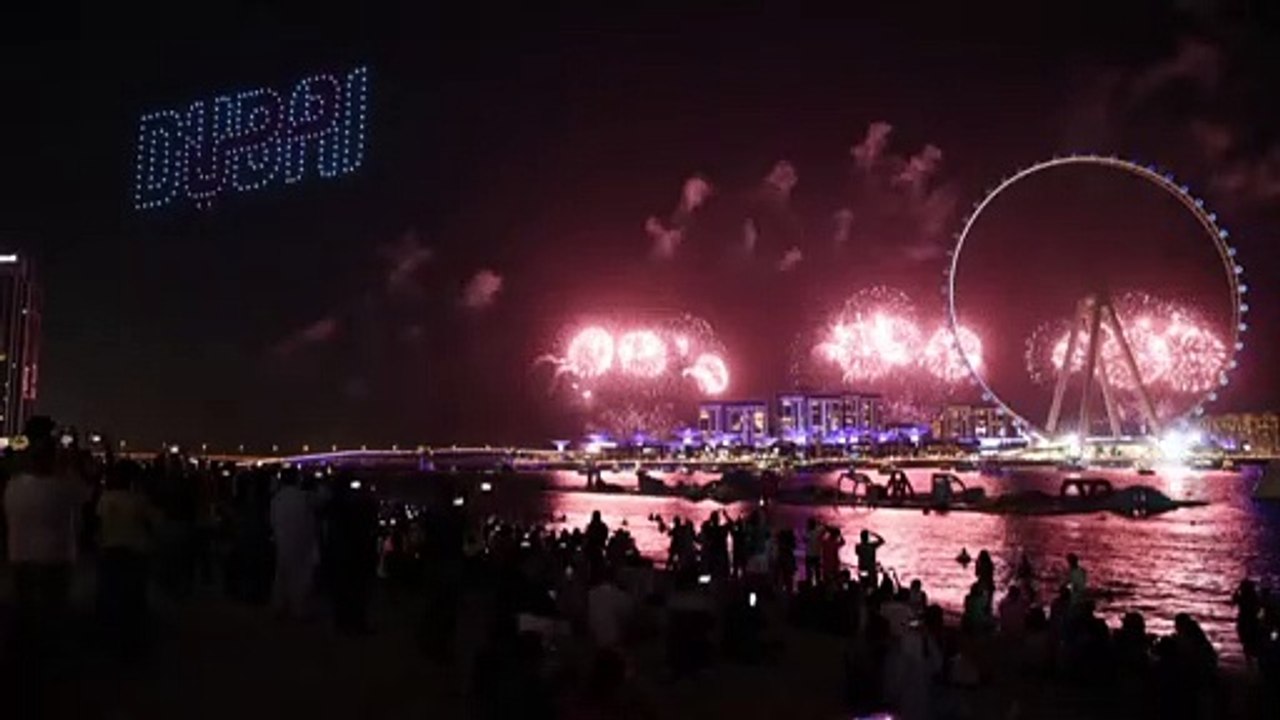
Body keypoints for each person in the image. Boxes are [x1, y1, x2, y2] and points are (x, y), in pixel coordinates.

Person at [4, 417, 89, 673]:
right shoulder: (63, 485)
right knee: (52, 614)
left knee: (25, 610)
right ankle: (47, 664)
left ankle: (22, 661)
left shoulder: (13, 484)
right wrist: (70, 462)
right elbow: (85, 493)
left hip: (19, 555)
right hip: (54, 559)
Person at [96, 460, 155, 656]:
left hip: (110, 550)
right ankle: (132, 643)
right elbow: (151, 523)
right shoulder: (139, 500)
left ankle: (109, 641)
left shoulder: (105, 498)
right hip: (135, 552)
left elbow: (99, 524)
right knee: (133, 600)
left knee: (110, 597)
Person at [270, 468, 320, 619]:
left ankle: (281, 607)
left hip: (283, 540)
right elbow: (321, 502)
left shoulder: (276, 499)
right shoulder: (303, 497)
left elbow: (272, 520)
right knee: (301, 577)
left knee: (282, 575)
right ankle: (298, 609)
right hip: (302, 541)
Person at [804, 517, 823, 584]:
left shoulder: (807, 533)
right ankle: (818, 585)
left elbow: (804, 540)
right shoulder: (818, 530)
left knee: (810, 573)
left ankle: (810, 585)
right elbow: (824, 527)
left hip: (809, 555)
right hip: (816, 555)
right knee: (817, 572)